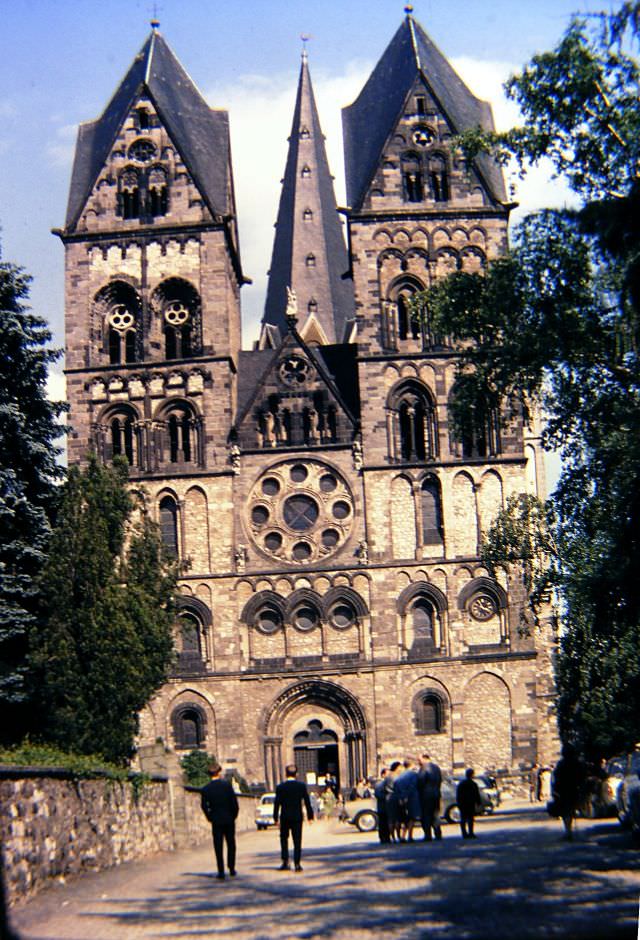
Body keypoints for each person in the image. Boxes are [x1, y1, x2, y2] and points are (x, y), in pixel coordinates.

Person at [200, 762, 239, 880]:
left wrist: (210, 817)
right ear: (219, 772)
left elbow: (204, 806)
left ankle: (221, 870)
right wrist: (233, 816)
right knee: (231, 844)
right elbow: (234, 804)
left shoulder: (206, 789)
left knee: (218, 845)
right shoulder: (227, 786)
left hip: (216, 820)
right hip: (228, 819)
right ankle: (231, 868)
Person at [273, 764, 314, 871]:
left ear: (286, 774)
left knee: (284, 839)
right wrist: (310, 816)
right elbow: (307, 802)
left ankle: (285, 862)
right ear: (296, 774)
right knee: (297, 840)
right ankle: (297, 863)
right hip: (297, 817)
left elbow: (277, 803)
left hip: (285, 816)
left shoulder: (280, 787)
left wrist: (275, 818)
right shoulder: (301, 786)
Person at [551, 744, 587, 841]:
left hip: (564, 790)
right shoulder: (577, 763)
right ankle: (569, 832)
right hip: (574, 789)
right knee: (571, 810)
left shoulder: (561, 764)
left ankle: (568, 831)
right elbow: (582, 776)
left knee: (565, 812)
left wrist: (555, 790)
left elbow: (556, 778)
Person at [394, 758, 421, 841]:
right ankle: (410, 836)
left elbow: (396, 786)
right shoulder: (413, 775)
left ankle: (402, 836)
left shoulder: (400, 776)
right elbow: (414, 786)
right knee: (411, 818)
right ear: (411, 765)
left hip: (401, 799)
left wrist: (401, 797)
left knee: (405, 818)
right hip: (411, 798)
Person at [417, 753, 443, 841]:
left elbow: (420, 781)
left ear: (425, 759)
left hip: (426, 795)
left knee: (426, 815)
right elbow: (439, 780)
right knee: (435, 814)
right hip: (436, 793)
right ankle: (438, 833)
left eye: (419, 760)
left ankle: (428, 835)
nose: (418, 762)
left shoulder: (424, 768)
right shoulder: (436, 768)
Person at [456, 768, 481, 839]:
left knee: (463, 818)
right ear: (472, 775)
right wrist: (478, 802)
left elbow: (458, 794)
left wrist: (458, 802)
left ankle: (464, 833)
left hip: (463, 803)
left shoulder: (461, 784)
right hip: (470, 803)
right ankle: (471, 833)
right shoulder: (473, 784)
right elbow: (476, 794)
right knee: (470, 818)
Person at [385, 760, 402, 842]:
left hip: (388, 797)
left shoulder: (387, 776)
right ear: (396, 768)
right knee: (397, 819)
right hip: (395, 797)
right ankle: (398, 836)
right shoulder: (396, 777)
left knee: (391, 819)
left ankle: (392, 837)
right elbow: (399, 787)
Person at [374, 769, 391, 844]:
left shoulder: (388, 782)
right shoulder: (379, 784)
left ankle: (387, 837)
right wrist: (387, 796)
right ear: (383, 775)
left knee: (387, 822)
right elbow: (378, 795)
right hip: (382, 806)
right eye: (387, 774)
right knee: (382, 823)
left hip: (387, 806)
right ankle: (382, 837)